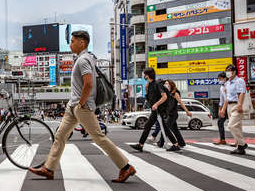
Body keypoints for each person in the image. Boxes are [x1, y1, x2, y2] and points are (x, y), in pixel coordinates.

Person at [29, 30, 136, 182]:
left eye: (72, 41)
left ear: (82, 43)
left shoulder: (84, 60)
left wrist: (81, 103)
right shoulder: (82, 58)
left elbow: (89, 83)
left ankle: (125, 167)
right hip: (73, 106)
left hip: (81, 106)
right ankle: (49, 169)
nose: (70, 44)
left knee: (99, 138)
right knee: (60, 136)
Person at [130, 68, 181, 152]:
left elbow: (165, 96)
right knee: (163, 128)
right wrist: (146, 90)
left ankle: (140, 145)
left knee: (148, 126)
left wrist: (156, 104)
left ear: (148, 75)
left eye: (145, 74)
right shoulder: (149, 85)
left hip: (159, 110)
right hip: (155, 110)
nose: (144, 76)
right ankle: (175, 144)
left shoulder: (157, 84)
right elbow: (149, 99)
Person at [220, 64, 248, 155]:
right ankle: (240, 147)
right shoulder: (227, 83)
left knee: (231, 125)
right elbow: (227, 98)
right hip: (229, 106)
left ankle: (242, 144)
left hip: (237, 105)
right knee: (237, 127)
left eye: (229, 70)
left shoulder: (239, 81)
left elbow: (241, 93)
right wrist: (223, 109)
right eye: (226, 70)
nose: (227, 72)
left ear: (234, 71)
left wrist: (240, 105)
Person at [156, 80, 190, 148]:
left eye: (167, 83)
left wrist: (187, 111)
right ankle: (182, 143)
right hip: (169, 114)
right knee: (175, 130)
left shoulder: (175, 93)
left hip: (173, 114)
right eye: (165, 83)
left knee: (166, 129)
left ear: (171, 85)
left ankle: (161, 142)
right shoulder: (167, 93)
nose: (165, 84)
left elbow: (181, 103)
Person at [215, 72, 228, 145]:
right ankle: (222, 139)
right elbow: (221, 99)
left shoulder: (228, 85)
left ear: (224, 78)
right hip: (224, 107)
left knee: (233, 125)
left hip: (231, 105)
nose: (219, 80)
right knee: (220, 122)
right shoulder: (221, 87)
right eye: (219, 79)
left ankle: (238, 141)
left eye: (220, 78)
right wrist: (219, 109)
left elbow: (228, 98)